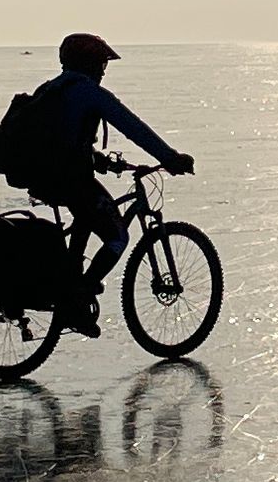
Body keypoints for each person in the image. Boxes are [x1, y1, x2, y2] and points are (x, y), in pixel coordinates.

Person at [33, 31, 193, 332]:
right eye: (101, 63)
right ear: (88, 63)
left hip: (46, 178)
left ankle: (70, 290)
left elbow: (63, 140)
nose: (104, 71)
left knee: (86, 216)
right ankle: (79, 298)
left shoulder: (50, 90)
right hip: (71, 180)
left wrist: (101, 161)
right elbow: (133, 127)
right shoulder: (89, 93)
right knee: (117, 236)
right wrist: (170, 158)